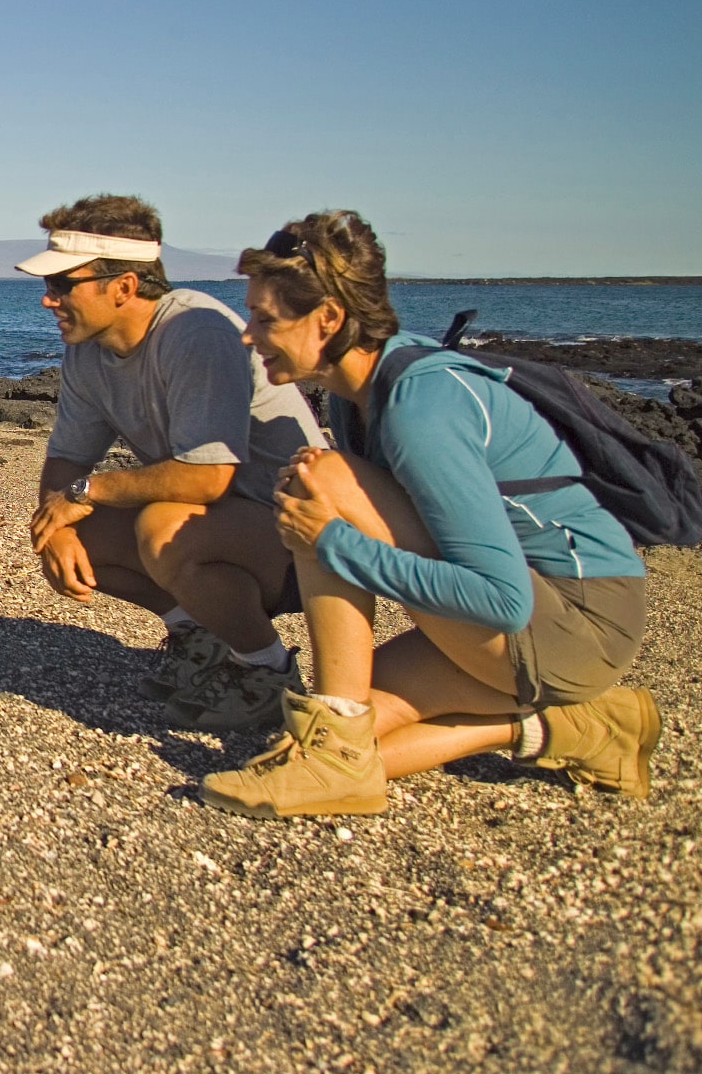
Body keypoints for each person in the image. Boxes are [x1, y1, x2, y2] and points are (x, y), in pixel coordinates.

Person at [202, 210, 657, 818]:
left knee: (318, 478)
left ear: (329, 318)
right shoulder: (358, 395)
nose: (248, 334)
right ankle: (587, 728)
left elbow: (502, 600)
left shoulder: (421, 405)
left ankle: (337, 744)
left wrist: (337, 544)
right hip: (546, 631)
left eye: (266, 318)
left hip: (578, 619)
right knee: (315, 752)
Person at [20, 194, 326, 729]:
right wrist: (59, 518)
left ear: (124, 286)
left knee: (163, 526)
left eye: (61, 284)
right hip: (229, 529)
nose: (49, 300)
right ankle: (202, 638)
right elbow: (68, 454)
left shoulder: (196, 332)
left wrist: (81, 495)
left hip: (303, 543)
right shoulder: (88, 349)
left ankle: (268, 673)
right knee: (62, 529)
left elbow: (207, 479)